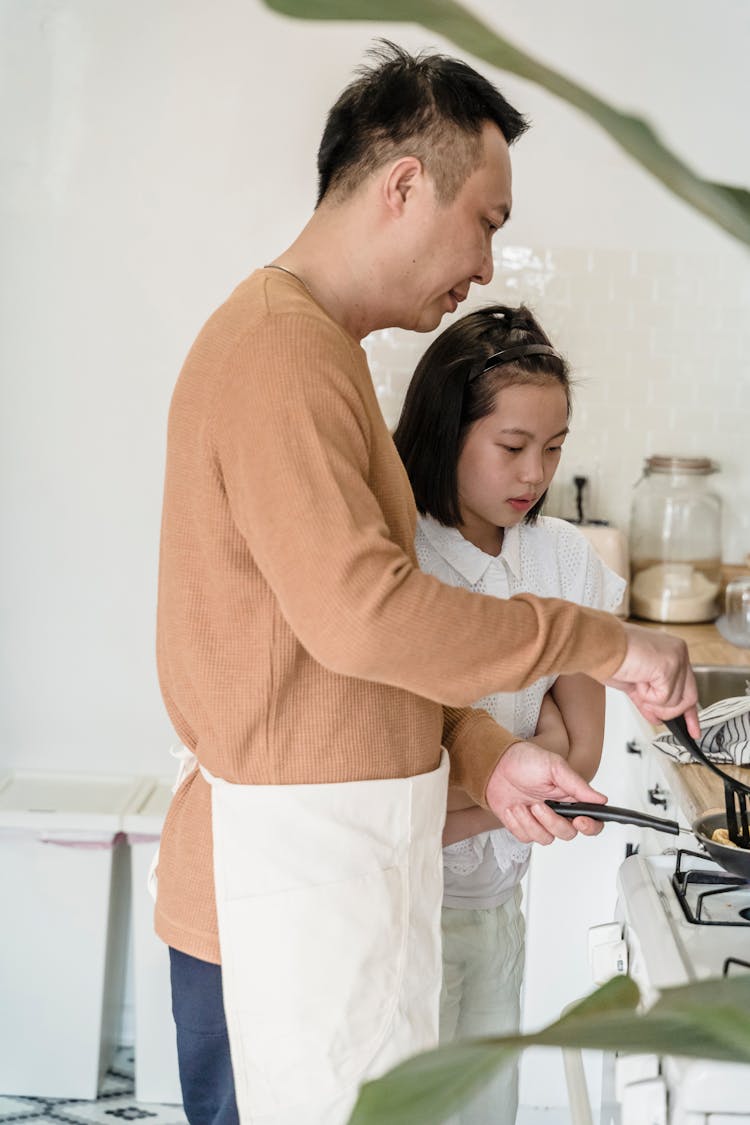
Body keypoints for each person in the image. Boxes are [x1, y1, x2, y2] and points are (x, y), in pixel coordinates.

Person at [154, 41, 697, 1125]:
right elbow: (366, 619)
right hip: (275, 903)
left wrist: (491, 764)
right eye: (487, 221)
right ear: (406, 186)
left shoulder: (322, 354)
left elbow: (356, 662)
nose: (491, 266)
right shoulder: (277, 353)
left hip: (336, 882)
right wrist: (603, 641)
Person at [393, 303, 626, 1124]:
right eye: (513, 447)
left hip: (497, 904)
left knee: (485, 1110)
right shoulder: (403, 558)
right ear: (449, 428)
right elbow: (396, 793)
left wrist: (479, 789)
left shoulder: (561, 555)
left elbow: (582, 752)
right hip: (401, 912)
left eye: (554, 448)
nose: (535, 473)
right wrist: (523, 761)